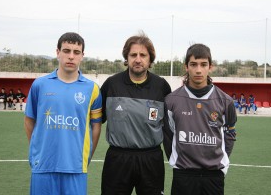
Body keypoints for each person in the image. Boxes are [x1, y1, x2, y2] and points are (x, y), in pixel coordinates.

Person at [24, 32, 102, 195]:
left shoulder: (92, 89)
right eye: (66, 51)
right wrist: (37, 150)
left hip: (75, 168)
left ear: (82, 56)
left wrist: (85, 159)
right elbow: (30, 121)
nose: (71, 56)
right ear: (57, 52)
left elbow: (96, 127)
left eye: (76, 52)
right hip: (43, 166)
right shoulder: (40, 85)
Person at [100, 32, 171, 195]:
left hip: (151, 159)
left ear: (150, 59)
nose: (138, 59)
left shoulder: (161, 86)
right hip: (118, 158)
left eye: (143, 55)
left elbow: (169, 126)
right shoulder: (111, 84)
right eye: (133, 55)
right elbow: (96, 121)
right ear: (126, 58)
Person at [163, 43, 237, 195]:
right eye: (193, 64)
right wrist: (178, 161)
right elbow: (168, 136)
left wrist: (219, 162)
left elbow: (230, 134)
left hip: (213, 176)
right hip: (183, 175)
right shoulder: (171, 100)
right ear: (186, 67)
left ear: (211, 67)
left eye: (203, 64)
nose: (198, 70)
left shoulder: (225, 101)